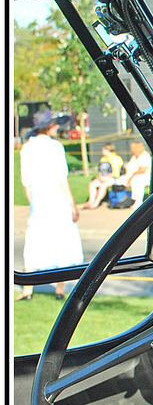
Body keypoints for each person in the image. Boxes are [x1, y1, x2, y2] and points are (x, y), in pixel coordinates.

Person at [16, 110, 83, 300]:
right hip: (57, 197)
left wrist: (32, 203)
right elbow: (62, 177)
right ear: (47, 126)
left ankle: (27, 289)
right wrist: (72, 204)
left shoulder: (27, 148)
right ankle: (59, 289)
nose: (57, 127)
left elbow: (26, 181)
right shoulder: (55, 147)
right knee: (61, 239)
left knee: (35, 239)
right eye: (54, 124)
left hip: (38, 198)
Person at [82, 143, 124, 209]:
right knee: (92, 184)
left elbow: (116, 173)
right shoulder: (103, 159)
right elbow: (101, 171)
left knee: (103, 185)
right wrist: (99, 177)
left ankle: (96, 203)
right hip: (103, 178)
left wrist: (106, 177)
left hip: (114, 178)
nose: (102, 151)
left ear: (108, 150)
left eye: (103, 150)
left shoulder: (116, 158)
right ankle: (90, 201)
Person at [117, 140, 152, 209]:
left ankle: (137, 201)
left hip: (144, 177)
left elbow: (142, 170)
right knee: (117, 181)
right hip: (130, 176)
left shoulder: (144, 156)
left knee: (136, 180)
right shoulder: (134, 157)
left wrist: (129, 179)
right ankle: (119, 200)